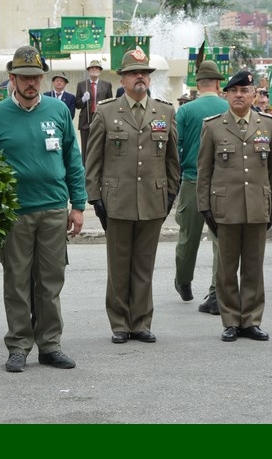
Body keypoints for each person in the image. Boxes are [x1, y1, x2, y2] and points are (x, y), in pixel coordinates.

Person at [0, 45, 86, 372]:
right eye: (24, 77)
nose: (30, 83)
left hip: (54, 209)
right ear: (12, 78)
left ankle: (50, 345)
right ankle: (19, 346)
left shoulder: (58, 111)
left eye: (36, 77)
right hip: (14, 213)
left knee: (50, 281)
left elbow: (73, 159)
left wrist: (78, 205)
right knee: (16, 281)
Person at [85, 49, 180, 344]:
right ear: (123, 78)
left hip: (152, 201)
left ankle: (140, 322)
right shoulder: (106, 111)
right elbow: (94, 160)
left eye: (145, 73)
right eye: (134, 73)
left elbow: (173, 160)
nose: (141, 77)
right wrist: (95, 197)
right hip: (117, 200)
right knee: (118, 265)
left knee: (144, 264)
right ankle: (119, 324)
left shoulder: (164, 112)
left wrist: (170, 195)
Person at [197, 70, 272, 342]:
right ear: (225, 94)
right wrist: (204, 206)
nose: (239, 95)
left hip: (258, 205)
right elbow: (204, 170)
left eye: (244, 91)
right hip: (225, 207)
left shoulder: (268, 124)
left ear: (253, 95)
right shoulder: (213, 125)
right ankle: (231, 320)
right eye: (234, 91)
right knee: (226, 268)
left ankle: (252, 320)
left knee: (254, 267)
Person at [172, 60, 228, 315]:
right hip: (222, 183)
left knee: (187, 236)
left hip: (192, 179)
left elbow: (177, 146)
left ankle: (184, 281)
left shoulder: (184, 111)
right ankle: (217, 291)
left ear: (197, 83)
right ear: (218, 83)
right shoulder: (229, 108)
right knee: (221, 239)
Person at [75, 59, 112, 165]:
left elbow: (110, 102)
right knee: (85, 146)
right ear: (88, 70)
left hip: (100, 118)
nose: (94, 69)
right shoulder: (82, 85)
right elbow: (77, 104)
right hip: (85, 119)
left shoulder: (107, 84)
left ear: (100, 71)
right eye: (92, 68)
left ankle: (100, 166)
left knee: (100, 144)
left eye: (96, 68)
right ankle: (85, 169)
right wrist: (83, 99)